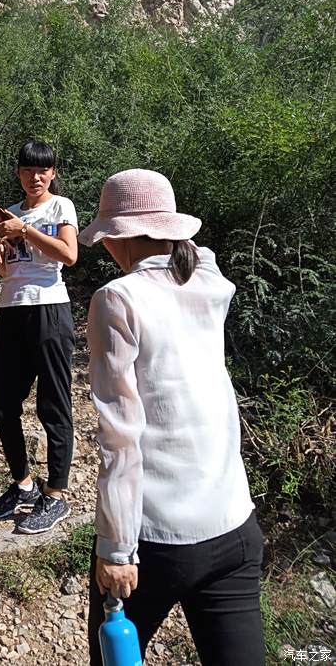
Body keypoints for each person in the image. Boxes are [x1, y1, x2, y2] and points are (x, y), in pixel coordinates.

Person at [79, 168, 265, 666]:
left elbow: (120, 436)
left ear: (120, 236)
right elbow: (199, 254)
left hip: (156, 541)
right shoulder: (209, 284)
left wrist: (116, 550)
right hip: (234, 527)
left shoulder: (117, 299)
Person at [0, 140, 79, 533]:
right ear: (19, 173)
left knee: (53, 404)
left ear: (53, 173)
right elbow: (11, 272)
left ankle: (55, 494)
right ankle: (23, 484)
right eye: (27, 170)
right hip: (12, 308)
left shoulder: (61, 207)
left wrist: (26, 230)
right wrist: (1, 261)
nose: (35, 177)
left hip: (49, 309)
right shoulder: (13, 213)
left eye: (43, 170)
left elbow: (69, 255)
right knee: (4, 404)